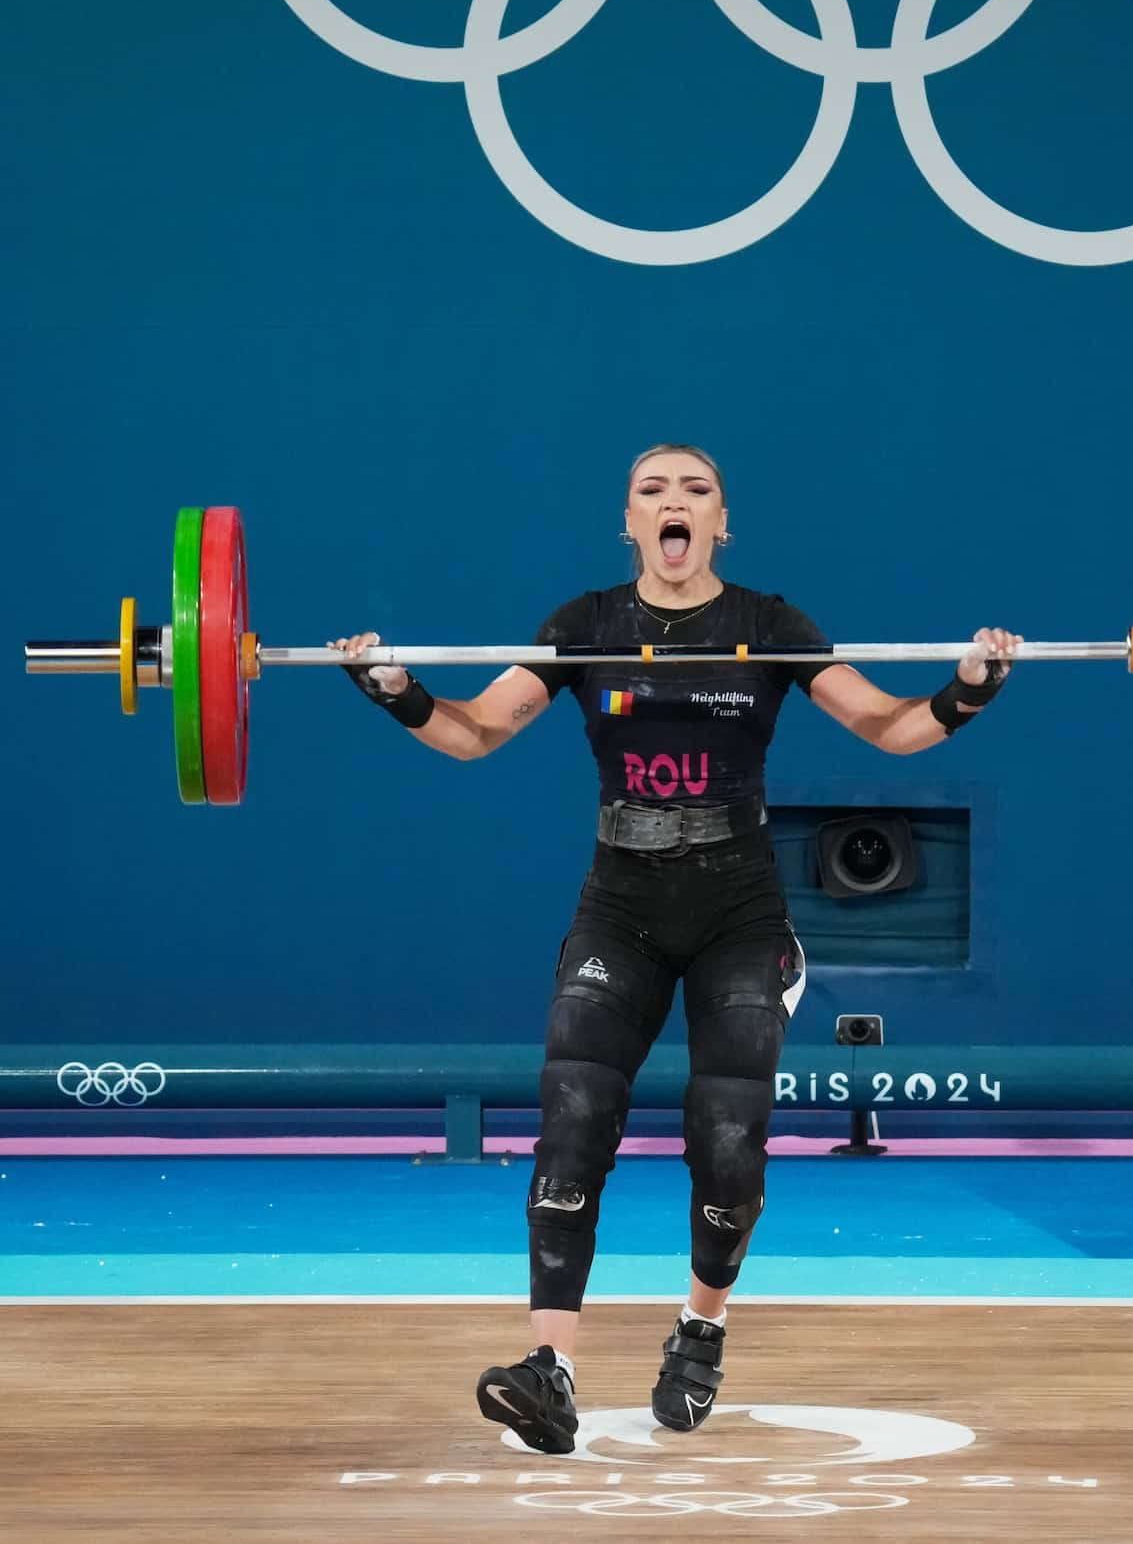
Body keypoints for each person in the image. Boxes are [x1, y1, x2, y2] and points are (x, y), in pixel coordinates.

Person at [332, 443, 1020, 1453]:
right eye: (652, 490)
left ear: (721, 524)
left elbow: (887, 726)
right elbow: (476, 730)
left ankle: (700, 1333)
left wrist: (968, 687)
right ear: (629, 521)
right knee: (572, 1116)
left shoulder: (768, 626)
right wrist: (394, 688)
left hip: (738, 909)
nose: (673, 503)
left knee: (729, 1142)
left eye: (694, 490)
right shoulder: (586, 627)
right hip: (621, 903)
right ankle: (548, 1369)